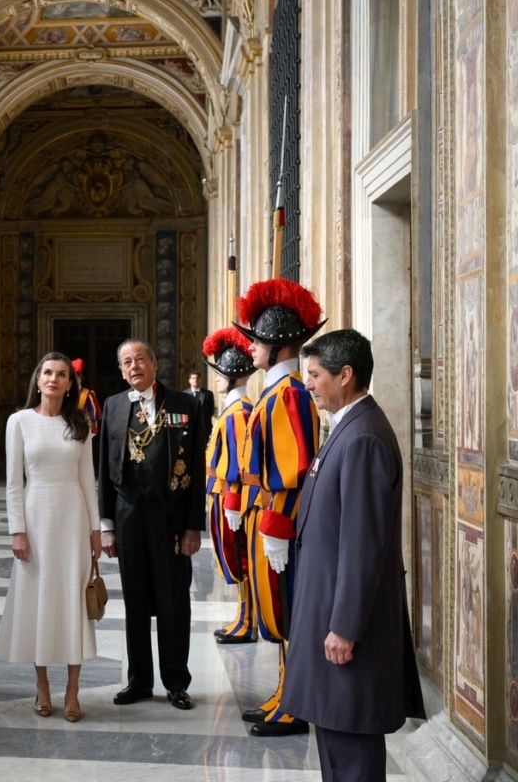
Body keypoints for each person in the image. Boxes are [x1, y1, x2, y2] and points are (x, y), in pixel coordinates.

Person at [282, 329, 426, 780]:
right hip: (328, 613)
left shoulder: (363, 437)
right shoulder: (348, 427)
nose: (308, 383)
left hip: (345, 628)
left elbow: (363, 544)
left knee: (352, 748)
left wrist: (344, 627)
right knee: (335, 735)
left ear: (345, 375)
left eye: (315, 374)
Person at [234, 277, 324, 737]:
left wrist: (276, 526)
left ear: (279, 346)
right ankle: (286, 693)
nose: (251, 348)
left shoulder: (287, 393)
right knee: (276, 613)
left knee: (287, 612)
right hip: (265, 515)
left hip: (277, 520)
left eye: (258, 341)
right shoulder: (274, 392)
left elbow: (293, 470)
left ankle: (297, 703)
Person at [97, 339, 206, 710]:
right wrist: (106, 524)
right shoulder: (113, 406)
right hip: (128, 515)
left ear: (155, 364)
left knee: (173, 601)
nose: (134, 366)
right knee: (135, 601)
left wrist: (193, 526)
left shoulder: (184, 405)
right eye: (127, 362)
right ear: (122, 371)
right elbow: (104, 468)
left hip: (170, 519)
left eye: (140, 359)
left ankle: (175, 682)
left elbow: (197, 469)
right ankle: (139, 681)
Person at [0, 353, 102, 722]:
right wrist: (18, 530)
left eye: (62, 374)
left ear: (71, 384)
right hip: (36, 516)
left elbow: (87, 479)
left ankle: (72, 691)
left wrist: (95, 529)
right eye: (47, 373)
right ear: (38, 380)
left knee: (73, 600)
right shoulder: (19, 421)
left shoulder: (80, 423)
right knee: (38, 600)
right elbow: (13, 482)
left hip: (73, 518)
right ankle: (42, 686)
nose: (53, 379)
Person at [201, 328, 257, 645]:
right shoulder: (234, 409)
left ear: (233, 376)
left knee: (240, 558)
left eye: (221, 374)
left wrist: (233, 501)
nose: (217, 379)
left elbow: (237, 463)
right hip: (222, 494)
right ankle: (241, 616)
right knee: (234, 558)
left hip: (229, 496)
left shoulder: (238, 412)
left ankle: (248, 622)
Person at [187, 370, 216, 443]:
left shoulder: (208, 394)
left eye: (197, 378)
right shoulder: (184, 394)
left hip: (205, 427)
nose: (195, 380)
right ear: (189, 380)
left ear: (200, 380)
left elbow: (211, 411)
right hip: (189, 427)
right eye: (193, 378)